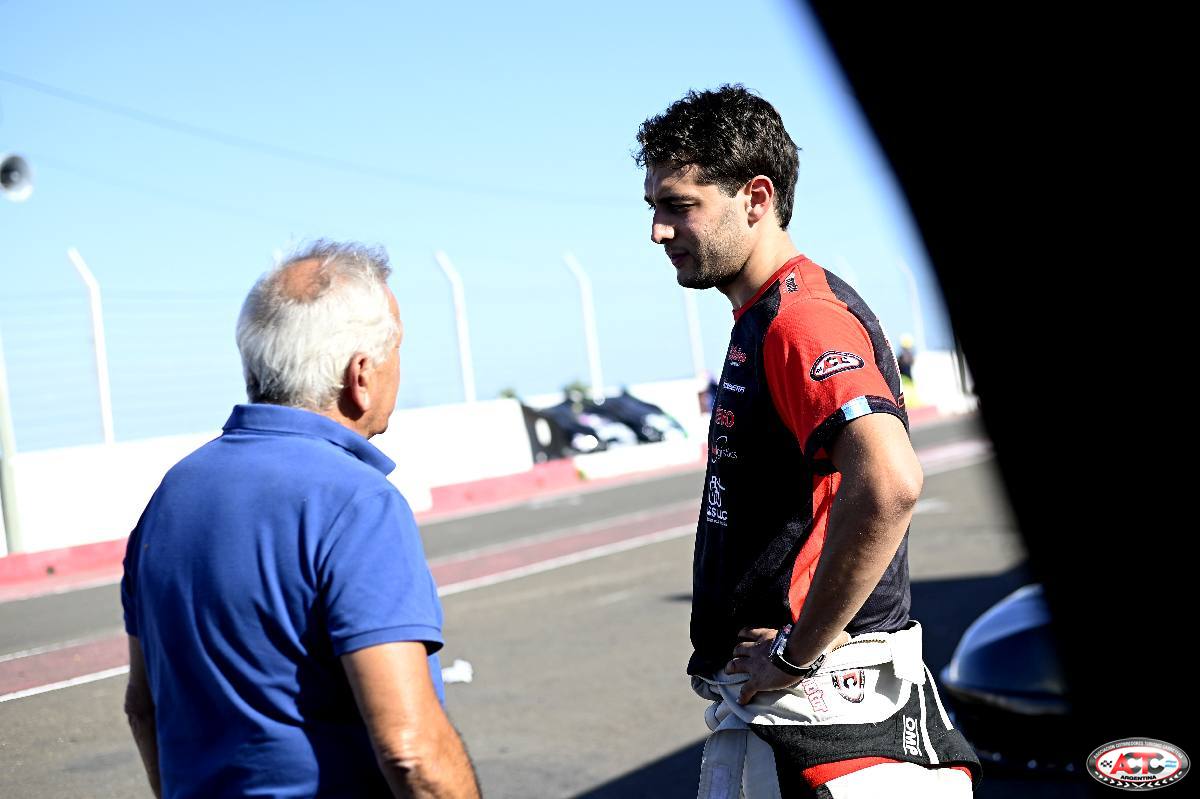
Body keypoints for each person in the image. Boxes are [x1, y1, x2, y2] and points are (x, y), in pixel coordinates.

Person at [635, 86, 981, 797]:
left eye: (678, 205)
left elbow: (889, 482)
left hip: (825, 709)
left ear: (756, 198)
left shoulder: (802, 320)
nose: (658, 231)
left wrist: (797, 653)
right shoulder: (763, 316)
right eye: (653, 207)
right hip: (791, 702)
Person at [121, 241, 480, 799]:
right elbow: (411, 752)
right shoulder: (356, 501)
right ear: (360, 374)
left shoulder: (171, 495)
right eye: (396, 351)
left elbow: (144, 709)